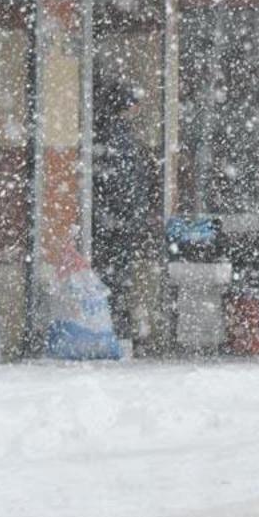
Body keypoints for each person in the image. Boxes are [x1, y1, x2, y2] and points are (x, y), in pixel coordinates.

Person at [92, 81, 158, 344]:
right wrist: (129, 212)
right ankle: (117, 327)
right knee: (118, 274)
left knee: (118, 273)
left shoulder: (113, 133)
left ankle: (117, 325)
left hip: (118, 217)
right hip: (119, 218)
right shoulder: (118, 136)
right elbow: (122, 181)